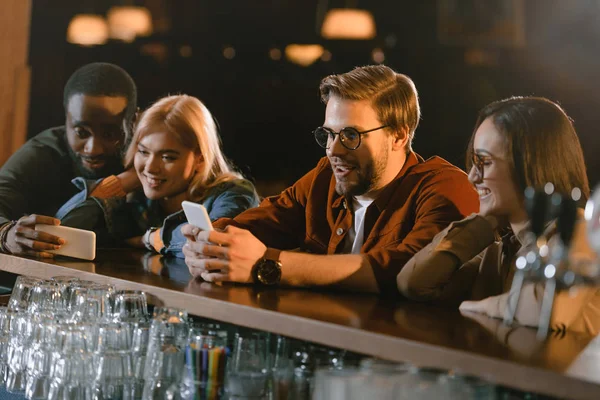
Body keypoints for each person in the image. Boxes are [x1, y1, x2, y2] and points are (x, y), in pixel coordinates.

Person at [182, 65, 479, 296]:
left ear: (399, 135)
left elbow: (406, 268)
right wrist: (210, 245)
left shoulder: (445, 186)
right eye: (329, 134)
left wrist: (268, 264)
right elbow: (263, 221)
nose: (333, 150)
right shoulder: (326, 175)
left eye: (351, 135)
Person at [396, 96, 600, 334]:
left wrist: (478, 307)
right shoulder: (498, 243)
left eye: (484, 161)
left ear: (532, 164)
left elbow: (544, 310)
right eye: (473, 161)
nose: (472, 176)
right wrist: (481, 223)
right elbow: (413, 284)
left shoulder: (581, 232)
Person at [56, 94, 259, 258]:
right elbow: (59, 234)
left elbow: (209, 245)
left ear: (200, 158)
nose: (151, 167)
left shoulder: (234, 194)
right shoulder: (141, 201)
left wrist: (149, 238)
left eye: (167, 157)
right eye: (143, 152)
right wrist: (123, 181)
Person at [0, 62, 137, 258]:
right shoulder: (43, 152)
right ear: (66, 118)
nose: (93, 148)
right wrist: (5, 234)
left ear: (133, 122)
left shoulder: (148, 154)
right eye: (81, 132)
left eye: (109, 134)